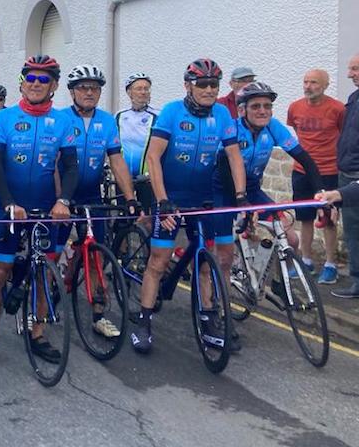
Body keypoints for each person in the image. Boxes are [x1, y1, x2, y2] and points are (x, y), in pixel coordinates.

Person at [131, 58, 247, 354]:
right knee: (159, 261)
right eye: (202, 84)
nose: (209, 90)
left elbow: (234, 156)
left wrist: (241, 195)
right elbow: (153, 157)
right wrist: (162, 200)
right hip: (170, 195)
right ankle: (143, 321)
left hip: (203, 197)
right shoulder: (172, 112)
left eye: (214, 84)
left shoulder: (222, 114)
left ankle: (208, 320)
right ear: (188, 86)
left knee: (205, 261)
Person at [0, 54, 77, 365]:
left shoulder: (63, 121)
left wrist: (63, 201)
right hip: (9, 205)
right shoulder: (4, 118)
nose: (35, 84)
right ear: (22, 84)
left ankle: (38, 333)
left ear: (54, 85)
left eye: (43, 79)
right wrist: (9, 202)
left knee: (43, 273)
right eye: (30, 78)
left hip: (46, 208)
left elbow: (71, 167)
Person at [211, 82, 322, 351]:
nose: (263, 111)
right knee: (224, 257)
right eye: (256, 106)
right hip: (222, 190)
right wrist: (245, 207)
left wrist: (320, 191)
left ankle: (277, 282)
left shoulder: (273, 128)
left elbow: (304, 158)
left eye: (268, 106)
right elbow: (226, 170)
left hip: (252, 189)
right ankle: (218, 310)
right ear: (242, 110)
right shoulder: (232, 130)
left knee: (290, 238)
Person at [56, 65, 139, 337]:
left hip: (92, 195)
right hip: (61, 195)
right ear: (72, 92)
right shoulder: (60, 119)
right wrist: (59, 200)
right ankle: (41, 303)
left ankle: (98, 315)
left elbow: (116, 160)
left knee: (95, 256)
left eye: (94, 88)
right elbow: (54, 162)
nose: (89, 92)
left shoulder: (107, 121)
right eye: (83, 88)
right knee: (52, 252)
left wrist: (130, 198)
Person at [287, 69, 346, 283]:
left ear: (325, 85)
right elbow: (296, 131)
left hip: (329, 171)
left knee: (328, 219)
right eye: (306, 82)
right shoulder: (295, 107)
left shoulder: (338, 109)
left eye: (314, 82)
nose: (308, 86)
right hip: (302, 171)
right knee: (305, 217)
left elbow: (343, 134)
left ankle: (330, 265)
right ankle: (306, 261)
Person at [332, 53, 359, 299]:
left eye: (355, 69)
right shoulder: (353, 98)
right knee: (353, 231)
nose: (350, 74)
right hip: (347, 174)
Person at [116, 72, 160, 207]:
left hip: (147, 177)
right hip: (123, 175)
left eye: (146, 89)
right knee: (124, 212)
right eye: (139, 89)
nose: (143, 92)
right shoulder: (119, 116)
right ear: (129, 92)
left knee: (146, 214)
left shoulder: (157, 115)